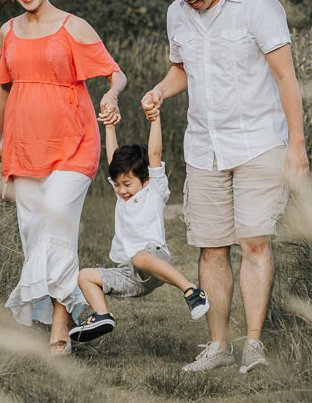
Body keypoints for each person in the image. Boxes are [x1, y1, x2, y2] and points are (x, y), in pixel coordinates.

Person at [140, 0, 308, 374]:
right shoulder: (177, 14)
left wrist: (297, 145)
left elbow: (286, 78)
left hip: (258, 143)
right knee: (211, 247)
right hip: (204, 146)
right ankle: (219, 346)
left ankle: (253, 344)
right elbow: (183, 69)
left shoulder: (258, 6)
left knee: (254, 242)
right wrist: (160, 89)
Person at [0, 0, 126, 354]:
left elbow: (115, 73)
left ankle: (59, 332)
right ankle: (67, 314)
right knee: (35, 237)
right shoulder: (8, 31)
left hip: (74, 143)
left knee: (56, 231)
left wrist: (113, 95)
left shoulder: (74, 27)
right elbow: (3, 85)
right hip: (24, 146)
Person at [68, 99, 210, 344]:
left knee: (141, 257)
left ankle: (191, 291)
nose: (121, 190)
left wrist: (155, 119)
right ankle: (102, 315)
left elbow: (154, 154)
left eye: (127, 184)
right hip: (128, 274)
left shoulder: (153, 190)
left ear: (145, 180)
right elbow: (114, 160)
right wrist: (109, 127)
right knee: (85, 276)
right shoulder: (121, 193)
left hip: (153, 259)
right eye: (117, 184)